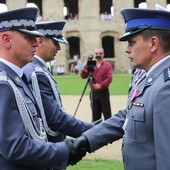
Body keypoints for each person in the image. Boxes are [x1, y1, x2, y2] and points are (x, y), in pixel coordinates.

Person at [71, 6, 170, 170]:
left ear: (153, 43)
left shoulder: (165, 88)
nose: (127, 49)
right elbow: (129, 115)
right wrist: (88, 140)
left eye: (132, 42)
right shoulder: (145, 75)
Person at [0, 8, 88, 170]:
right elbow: (15, 147)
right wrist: (65, 149)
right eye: (29, 37)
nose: (36, 42)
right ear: (6, 40)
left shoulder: (16, 78)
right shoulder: (3, 84)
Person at [80, 47, 113, 122]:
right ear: (94, 54)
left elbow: (109, 78)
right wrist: (83, 68)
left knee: (107, 115)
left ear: (103, 54)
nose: (98, 55)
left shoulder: (107, 65)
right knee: (95, 116)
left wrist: (100, 85)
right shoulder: (90, 65)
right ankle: (96, 132)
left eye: (100, 53)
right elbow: (83, 76)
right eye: (96, 53)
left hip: (104, 93)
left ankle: (109, 132)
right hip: (93, 94)